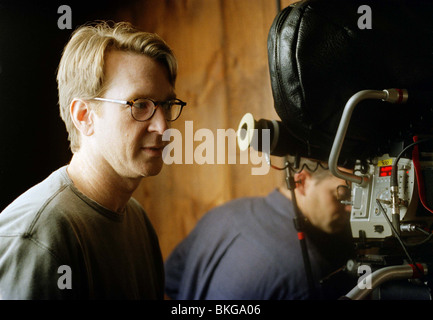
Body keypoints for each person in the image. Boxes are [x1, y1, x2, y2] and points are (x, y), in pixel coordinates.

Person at [0, 21, 186, 299]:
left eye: (167, 105)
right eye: (140, 105)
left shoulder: (135, 218)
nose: (162, 126)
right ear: (84, 116)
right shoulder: (36, 238)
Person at [164, 159, 356, 300]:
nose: (351, 206)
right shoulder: (305, 272)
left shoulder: (223, 213)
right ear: (301, 182)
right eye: (342, 193)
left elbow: (171, 282)